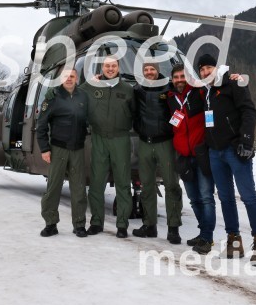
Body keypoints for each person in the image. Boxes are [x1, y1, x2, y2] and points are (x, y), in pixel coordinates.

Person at [197, 53, 256, 265]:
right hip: (215, 152)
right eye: (201, 69)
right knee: (225, 198)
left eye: (208, 67)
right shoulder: (206, 91)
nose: (205, 72)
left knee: (248, 196)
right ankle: (234, 241)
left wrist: (246, 141)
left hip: (235, 149)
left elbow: (249, 111)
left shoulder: (233, 83)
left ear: (216, 67)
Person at [80, 55, 135, 238]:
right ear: (102, 68)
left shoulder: (127, 89)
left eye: (113, 66)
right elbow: (73, 93)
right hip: (99, 138)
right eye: (106, 66)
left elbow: (135, 112)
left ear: (118, 68)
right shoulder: (92, 86)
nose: (110, 69)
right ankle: (96, 222)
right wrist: (89, 81)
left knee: (123, 182)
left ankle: (122, 225)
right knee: (96, 182)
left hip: (120, 139)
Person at [166, 63, 216, 254]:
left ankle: (207, 238)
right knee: (194, 199)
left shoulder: (200, 92)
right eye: (176, 77)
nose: (179, 80)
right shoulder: (170, 98)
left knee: (206, 197)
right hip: (184, 156)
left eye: (182, 76)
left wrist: (233, 77)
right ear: (172, 80)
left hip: (201, 154)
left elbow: (214, 87)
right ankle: (203, 233)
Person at [132, 61, 183, 244]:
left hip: (165, 142)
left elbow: (180, 108)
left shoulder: (169, 88)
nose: (149, 72)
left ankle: (173, 228)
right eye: (146, 69)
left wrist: (172, 128)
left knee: (171, 184)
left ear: (158, 71)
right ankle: (149, 225)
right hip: (145, 142)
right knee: (146, 186)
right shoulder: (137, 90)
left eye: (152, 69)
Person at [36, 68, 90, 237]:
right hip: (58, 148)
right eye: (66, 76)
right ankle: (51, 223)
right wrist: (44, 148)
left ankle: (79, 224)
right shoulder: (53, 97)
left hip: (78, 149)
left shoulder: (83, 96)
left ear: (77, 78)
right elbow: (42, 125)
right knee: (53, 187)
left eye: (72, 76)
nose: (69, 79)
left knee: (79, 188)